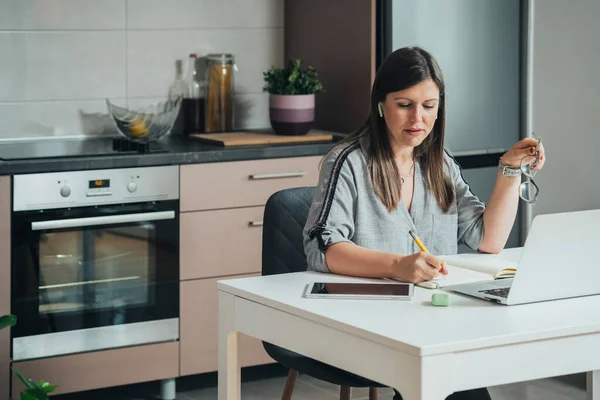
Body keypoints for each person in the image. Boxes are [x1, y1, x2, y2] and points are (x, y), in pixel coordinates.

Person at [302, 46, 546, 400]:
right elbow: (322, 248)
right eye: (404, 105)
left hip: (431, 321)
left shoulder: (439, 163)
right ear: (381, 104)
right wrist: (397, 265)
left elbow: (488, 239)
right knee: (449, 379)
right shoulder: (348, 162)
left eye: (429, 106)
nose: (417, 118)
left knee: (453, 378)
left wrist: (510, 168)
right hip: (366, 321)